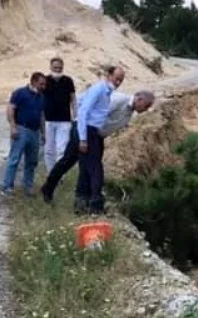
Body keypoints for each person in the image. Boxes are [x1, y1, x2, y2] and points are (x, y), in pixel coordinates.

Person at [40, 67, 155, 213]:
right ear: (139, 99)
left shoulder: (129, 113)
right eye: (146, 105)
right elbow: (89, 111)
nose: (146, 109)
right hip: (86, 130)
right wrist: (83, 136)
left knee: (69, 162)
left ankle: (54, 191)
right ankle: (94, 203)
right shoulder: (118, 99)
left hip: (95, 135)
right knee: (93, 168)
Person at [1, 72, 47, 197]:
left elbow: (42, 115)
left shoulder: (41, 96)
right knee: (15, 158)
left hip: (35, 131)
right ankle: (7, 186)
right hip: (21, 129)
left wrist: (43, 132)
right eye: (41, 84)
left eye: (44, 84)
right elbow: (10, 109)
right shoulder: (20, 93)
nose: (43, 86)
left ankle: (28, 186)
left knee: (32, 161)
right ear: (33, 81)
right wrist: (13, 127)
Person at [41, 56, 76, 171]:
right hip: (48, 120)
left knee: (62, 149)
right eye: (55, 67)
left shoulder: (68, 81)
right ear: (51, 67)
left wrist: (76, 116)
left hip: (64, 121)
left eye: (59, 68)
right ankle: (50, 173)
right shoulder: (45, 80)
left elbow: (73, 99)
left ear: (63, 68)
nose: (57, 69)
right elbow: (40, 98)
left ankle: (59, 174)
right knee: (49, 150)